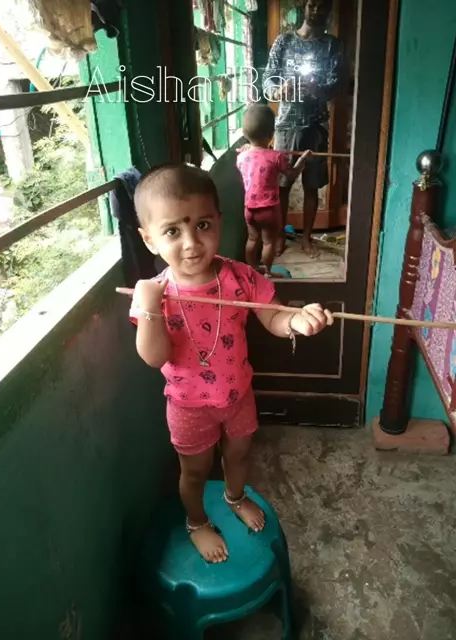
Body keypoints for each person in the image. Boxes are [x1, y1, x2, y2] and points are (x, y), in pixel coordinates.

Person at [129, 163, 333, 563]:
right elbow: (154, 357)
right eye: (172, 231)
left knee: (238, 456)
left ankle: (235, 497)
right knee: (194, 471)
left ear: (220, 221)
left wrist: (295, 320)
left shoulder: (239, 278)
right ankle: (196, 522)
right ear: (149, 239)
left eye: (203, 225)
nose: (191, 243)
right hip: (188, 406)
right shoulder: (155, 294)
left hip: (238, 394)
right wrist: (150, 307)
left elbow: (273, 316)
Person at [262, 0, 344, 258]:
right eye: (312, 5)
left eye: (323, 6)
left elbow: (337, 86)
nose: (317, 11)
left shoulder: (333, 45)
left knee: (312, 185)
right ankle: (278, 237)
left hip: (317, 125)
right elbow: (267, 80)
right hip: (286, 124)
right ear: (304, 6)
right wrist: (278, 91)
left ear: (329, 10)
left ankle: (307, 238)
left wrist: (318, 89)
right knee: (282, 186)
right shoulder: (284, 41)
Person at [236, 104, 311, 275]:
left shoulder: (242, 157)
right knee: (268, 242)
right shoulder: (276, 157)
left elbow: (250, 158)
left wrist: (247, 148)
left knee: (252, 239)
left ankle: (252, 270)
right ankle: (268, 272)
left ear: (245, 133)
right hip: (269, 209)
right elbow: (291, 175)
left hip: (249, 209)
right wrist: (302, 160)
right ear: (271, 135)